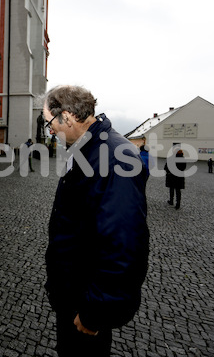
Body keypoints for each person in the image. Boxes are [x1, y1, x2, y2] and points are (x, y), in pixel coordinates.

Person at [43, 85, 149, 357]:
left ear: (66, 116)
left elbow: (124, 243)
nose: (50, 130)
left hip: (87, 301)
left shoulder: (115, 157)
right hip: (75, 290)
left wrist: (95, 312)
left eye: (50, 123)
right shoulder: (87, 147)